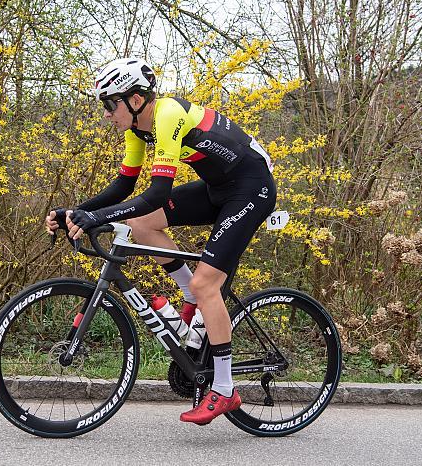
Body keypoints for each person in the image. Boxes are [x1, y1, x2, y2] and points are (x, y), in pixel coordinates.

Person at [44, 58, 276, 425]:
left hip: (252, 188)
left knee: (207, 282)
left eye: (110, 104)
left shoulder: (167, 114)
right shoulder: (138, 131)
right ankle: (190, 294)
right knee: (140, 223)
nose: (106, 114)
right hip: (219, 189)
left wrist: (98, 218)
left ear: (135, 99)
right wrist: (76, 212)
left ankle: (226, 389)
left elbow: (156, 192)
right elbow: (124, 187)